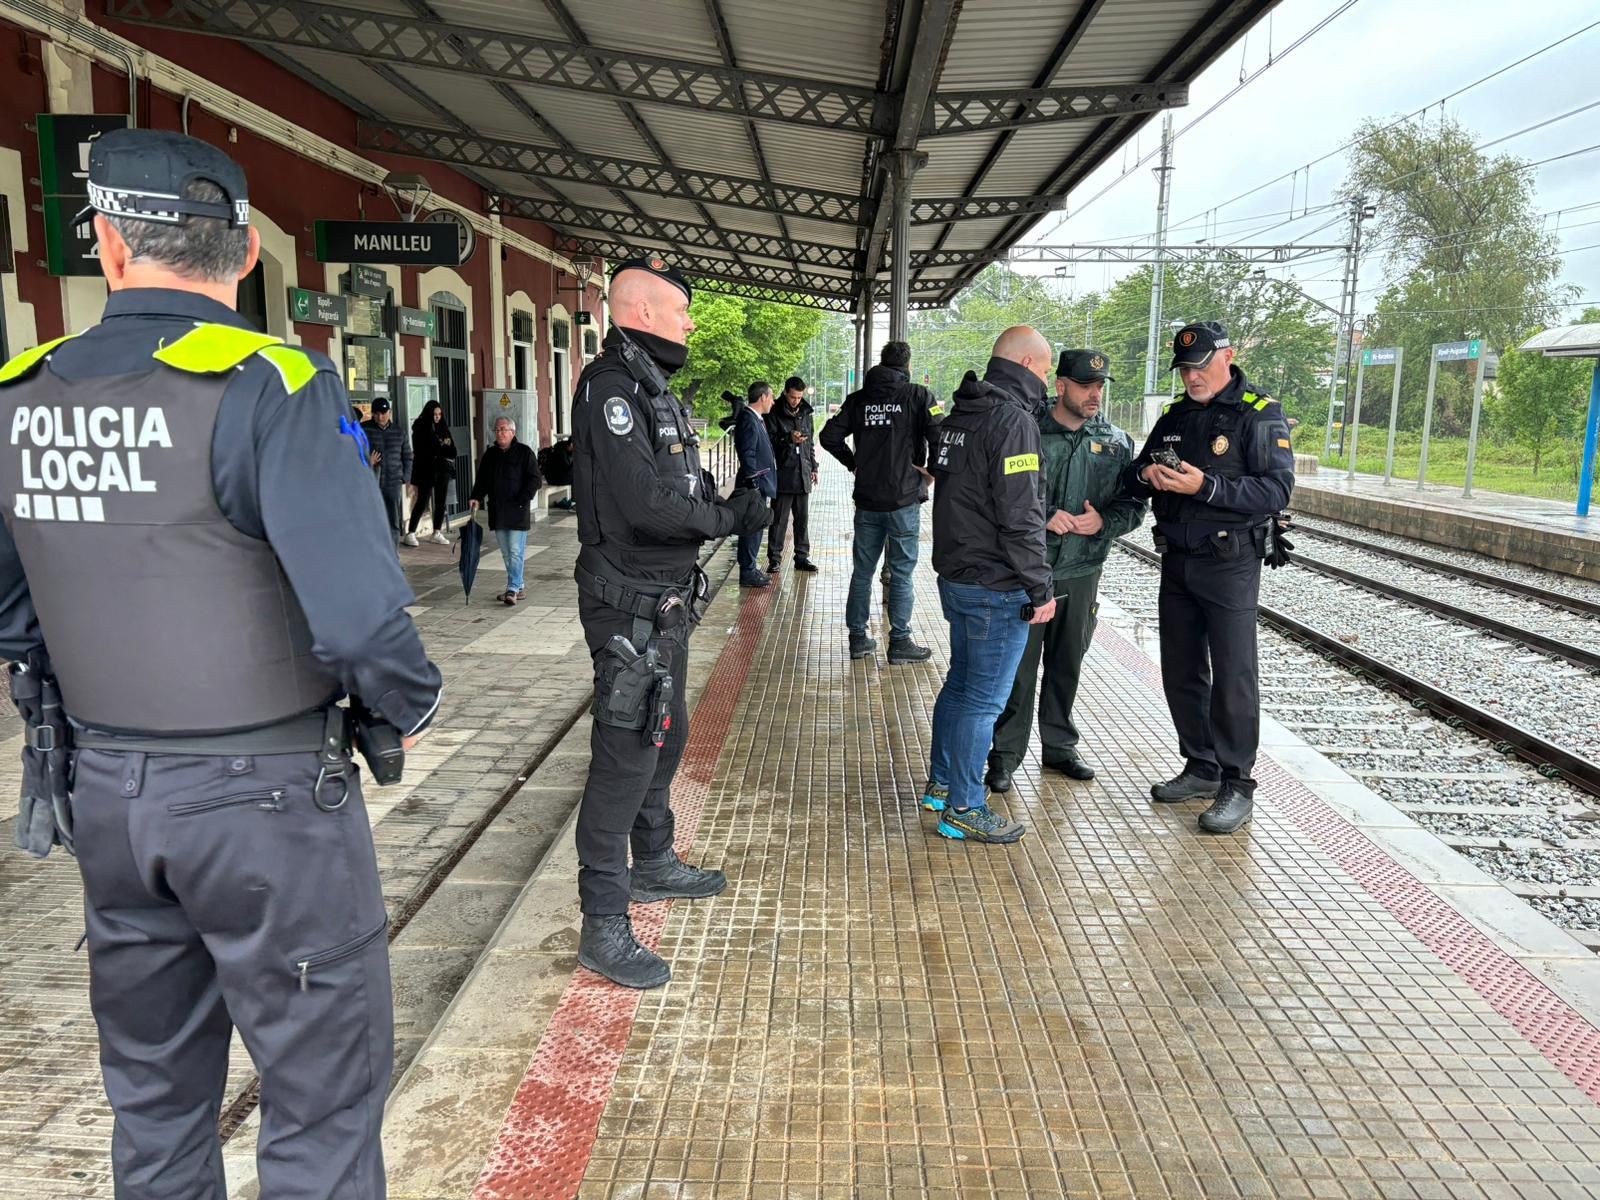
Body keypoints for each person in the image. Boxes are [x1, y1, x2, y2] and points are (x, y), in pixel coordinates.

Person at [0, 129, 441, 1199]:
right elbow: (358, 616)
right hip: (267, 806)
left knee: (151, 1100)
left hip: (108, 796)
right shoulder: (271, 384)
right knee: (321, 1100)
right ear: (243, 255)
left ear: (105, 246)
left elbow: (16, 618)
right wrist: (409, 702)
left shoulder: (22, 391)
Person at [569, 257, 770, 988]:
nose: (690, 322)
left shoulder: (652, 387)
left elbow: (679, 479)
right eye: (682, 311)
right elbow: (645, 504)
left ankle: (652, 863)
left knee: (667, 734)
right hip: (627, 605)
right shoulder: (612, 388)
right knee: (623, 759)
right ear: (645, 312)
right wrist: (726, 518)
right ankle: (604, 924)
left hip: (664, 603)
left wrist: (731, 501)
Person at [1122, 321, 1295, 834]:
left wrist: (1207, 486)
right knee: (1181, 669)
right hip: (1176, 559)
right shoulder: (1175, 417)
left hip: (1230, 562)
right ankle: (1200, 765)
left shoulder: (1259, 416)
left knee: (1233, 676)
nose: (1192, 377)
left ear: (1228, 357)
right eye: (1184, 369)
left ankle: (1237, 783)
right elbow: (1134, 472)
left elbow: (1276, 491)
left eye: (1200, 368)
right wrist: (1145, 476)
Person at [986, 350, 1147, 793]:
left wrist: (1105, 522)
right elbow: (999, 497)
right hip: (1026, 573)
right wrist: (1043, 516)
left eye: (1099, 386)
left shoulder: (1116, 442)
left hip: (1082, 571)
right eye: (1084, 385)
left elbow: (1133, 505)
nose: (1094, 393)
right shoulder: (1028, 432)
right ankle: (1004, 755)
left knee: (1067, 664)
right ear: (1060, 386)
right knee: (1018, 670)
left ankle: (1058, 747)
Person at [920, 327, 1057, 844]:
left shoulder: (962, 414)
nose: (1045, 382)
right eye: (1045, 372)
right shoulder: (1013, 421)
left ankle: (943, 784)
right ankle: (965, 805)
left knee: (960, 686)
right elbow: (1021, 515)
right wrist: (1040, 588)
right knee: (982, 701)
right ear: (1026, 363)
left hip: (958, 576)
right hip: (997, 584)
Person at [819, 340, 942, 664]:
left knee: (862, 572)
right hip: (903, 500)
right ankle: (899, 642)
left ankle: (858, 638)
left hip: (868, 500)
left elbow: (828, 435)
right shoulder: (918, 396)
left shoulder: (859, 400)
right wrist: (931, 471)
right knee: (901, 574)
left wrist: (853, 463)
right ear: (907, 366)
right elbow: (940, 434)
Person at [470, 415, 543, 605]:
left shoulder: (525, 453)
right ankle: (518, 586)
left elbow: (535, 479)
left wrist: (523, 499)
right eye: (497, 430)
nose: (500, 433)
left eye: (504, 429)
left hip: (518, 510)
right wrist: (476, 497)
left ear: (513, 432)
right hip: (498, 510)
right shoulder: (490, 454)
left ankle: (512, 588)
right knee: (506, 553)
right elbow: (482, 479)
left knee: (516, 551)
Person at [764, 376, 819, 574]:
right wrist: (788, 438)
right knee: (779, 519)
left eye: (799, 397)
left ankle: (802, 557)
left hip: (802, 471)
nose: (796, 401)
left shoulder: (806, 412)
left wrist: (813, 466)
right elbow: (768, 442)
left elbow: (810, 442)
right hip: (783, 473)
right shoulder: (773, 412)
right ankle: (775, 558)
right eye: (793, 397)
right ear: (786, 392)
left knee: (802, 519)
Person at [733, 380, 778, 587]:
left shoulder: (756, 419)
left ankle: (750, 568)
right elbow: (747, 452)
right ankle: (748, 571)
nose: (773, 402)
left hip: (760, 481)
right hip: (755, 484)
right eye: (771, 397)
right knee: (752, 525)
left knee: (757, 526)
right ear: (762, 397)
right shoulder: (748, 419)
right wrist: (753, 481)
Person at [361, 396, 413, 543]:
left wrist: (405, 478)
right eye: (376, 413)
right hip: (371, 483)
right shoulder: (364, 430)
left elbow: (408, 456)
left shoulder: (399, 432)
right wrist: (368, 462)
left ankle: (394, 556)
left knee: (393, 521)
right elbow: (353, 455)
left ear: (389, 413)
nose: (380, 417)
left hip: (393, 482)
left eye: (383, 413)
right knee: (373, 519)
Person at [406, 398, 456, 545]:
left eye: (439, 414)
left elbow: (453, 451)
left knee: (441, 501)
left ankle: (437, 532)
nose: (437, 417)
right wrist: (441, 446)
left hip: (442, 469)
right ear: (429, 413)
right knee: (423, 500)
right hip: (425, 468)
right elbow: (425, 450)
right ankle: (411, 532)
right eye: (435, 414)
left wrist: (441, 447)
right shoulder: (420, 427)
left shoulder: (443, 427)